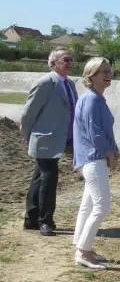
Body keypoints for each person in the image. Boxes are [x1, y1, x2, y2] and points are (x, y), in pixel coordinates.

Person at [21, 46, 78, 236]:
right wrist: (30, 138)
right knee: (49, 178)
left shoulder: (69, 84)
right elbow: (28, 114)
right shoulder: (45, 83)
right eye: (65, 60)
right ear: (53, 64)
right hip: (44, 140)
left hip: (60, 140)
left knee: (40, 177)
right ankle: (45, 221)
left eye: (71, 59)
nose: (70, 63)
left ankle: (31, 218)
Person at [71, 57, 118, 270]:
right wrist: (109, 153)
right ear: (91, 76)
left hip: (90, 157)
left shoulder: (93, 98)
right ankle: (83, 251)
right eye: (103, 72)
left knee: (88, 205)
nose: (108, 75)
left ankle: (81, 246)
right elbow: (94, 132)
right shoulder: (92, 100)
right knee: (102, 206)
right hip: (93, 158)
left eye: (109, 71)